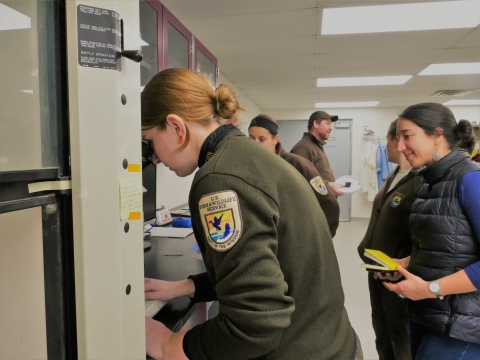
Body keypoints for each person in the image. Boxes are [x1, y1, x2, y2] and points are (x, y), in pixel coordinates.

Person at [141, 68, 361, 360]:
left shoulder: (220, 179)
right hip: (330, 342)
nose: (153, 158)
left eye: (150, 142)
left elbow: (255, 324)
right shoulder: (247, 156)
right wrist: (187, 286)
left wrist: (167, 344)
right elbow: (271, 267)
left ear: (176, 126)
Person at [382, 103, 480, 359]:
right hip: (426, 314)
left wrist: (431, 288)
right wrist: (407, 263)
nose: (400, 147)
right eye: (398, 138)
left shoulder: (471, 181)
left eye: (407, 136)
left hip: (461, 329)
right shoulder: (428, 183)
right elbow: (447, 246)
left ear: (437, 135)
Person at [358, 119, 421, 360]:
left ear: (398, 140)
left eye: (388, 140)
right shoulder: (395, 174)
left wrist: (409, 262)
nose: (386, 146)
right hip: (378, 270)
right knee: (382, 331)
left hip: (400, 274)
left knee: (401, 335)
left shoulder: (420, 179)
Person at [248, 114, 340, 237]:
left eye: (262, 139)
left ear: (275, 139)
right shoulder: (248, 165)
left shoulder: (297, 164)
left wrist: (320, 239)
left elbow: (329, 204)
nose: (255, 144)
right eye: (251, 138)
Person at [291, 110, 345, 196]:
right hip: (314, 207)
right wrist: (329, 185)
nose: (331, 128)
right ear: (316, 124)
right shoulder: (303, 147)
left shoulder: (315, 145)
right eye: (327, 124)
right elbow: (302, 180)